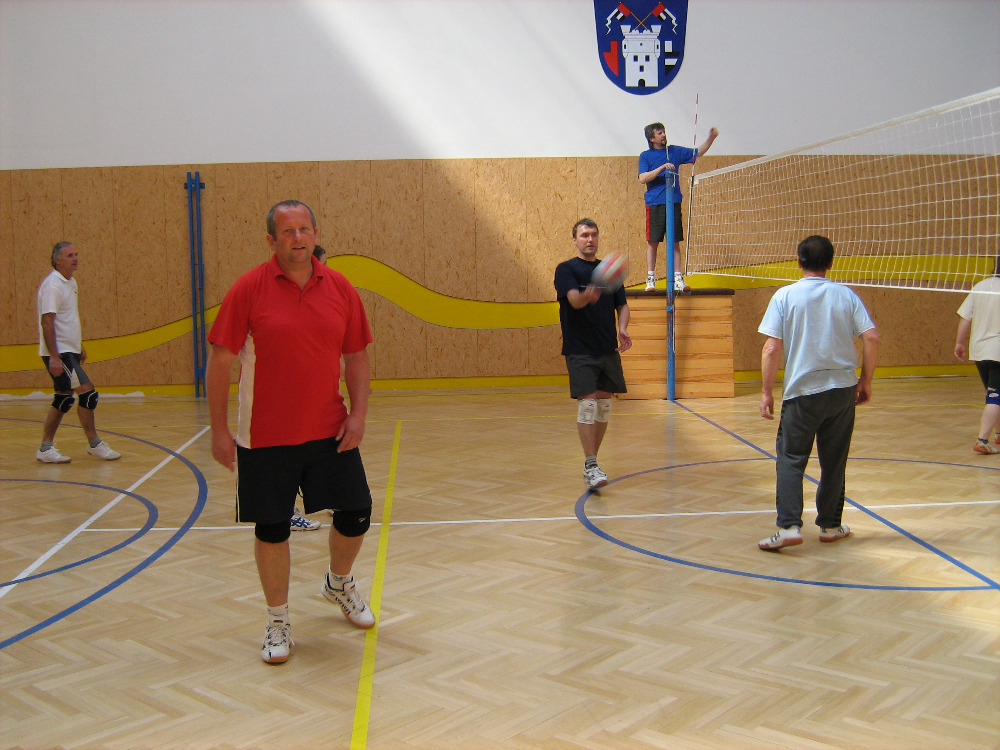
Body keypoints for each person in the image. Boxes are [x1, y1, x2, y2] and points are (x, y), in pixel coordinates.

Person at [206, 200, 376, 664]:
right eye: (287, 231)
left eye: (304, 229)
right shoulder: (248, 289)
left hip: (328, 428)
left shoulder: (340, 287)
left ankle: (338, 583)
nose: (297, 238)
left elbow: (356, 356)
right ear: (271, 240)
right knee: (272, 527)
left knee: (356, 511)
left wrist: (359, 414)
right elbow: (220, 361)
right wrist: (219, 430)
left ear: (315, 233)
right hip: (264, 436)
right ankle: (278, 619)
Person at [757, 235, 880, 551]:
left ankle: (788, 527)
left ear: (798, 262)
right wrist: (865, 381)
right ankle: (830, 525)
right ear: (831, 263)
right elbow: (872, 338)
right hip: (842, 391)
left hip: (802, 393)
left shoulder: (785, 296)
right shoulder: (846, 295)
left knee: (791, 459)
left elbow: (771, 348)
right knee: (834, 461)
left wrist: (766, 391)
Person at [554, 218, 632, 490]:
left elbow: (622, 305)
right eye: (584, 235)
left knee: (603, 406)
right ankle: (591, 464)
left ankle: (593, 463)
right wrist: (591, 291)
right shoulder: (566, 269)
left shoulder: (607, 271)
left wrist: (622, 328)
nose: (590, 239)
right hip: (579, 349)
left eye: (594, 235)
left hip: (607, 347)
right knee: (587, 406)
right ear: (575, 240)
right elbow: (574, 301)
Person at [35, 242, 121, 463]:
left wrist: (77, 345)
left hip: (68, 349)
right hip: (59, 352)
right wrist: (54, 357)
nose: (75, 258)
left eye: (76, 254)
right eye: (69, 255)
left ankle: (45, 448)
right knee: (88, 394)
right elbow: (47, 322)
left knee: (64, 398)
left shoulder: (70, 282)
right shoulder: (53, 286)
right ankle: (94, 444)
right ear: (58, 260)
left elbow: (67, 319)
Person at [286, 244, 334, 531]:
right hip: (289, 395)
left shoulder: (323, 296)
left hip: (313, 393)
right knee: (291, 453)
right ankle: (288, 511)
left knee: (319, 447)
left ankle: (326, 495)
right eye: (323, 263)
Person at [638, 122, 718, 292]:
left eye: (664, 132)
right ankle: (650, 278)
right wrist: (662, 167)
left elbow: (697, 153)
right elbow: (643, 178)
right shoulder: (645, 156)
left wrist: (710, 139)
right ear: (652, 138)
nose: (663, 135)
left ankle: (678, 277)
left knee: (674, 242)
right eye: (659, 133)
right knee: (653, 242)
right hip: (655, 203)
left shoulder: (674, 151)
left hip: (673, 202)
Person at [954, 256, 1000, 455]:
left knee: (993, 395)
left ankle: (998, 434)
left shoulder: (980, 286)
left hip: (979, 351)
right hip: (997, 350)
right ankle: (982, 439)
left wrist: (959, 342)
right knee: (995, 395)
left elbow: (965, 318)